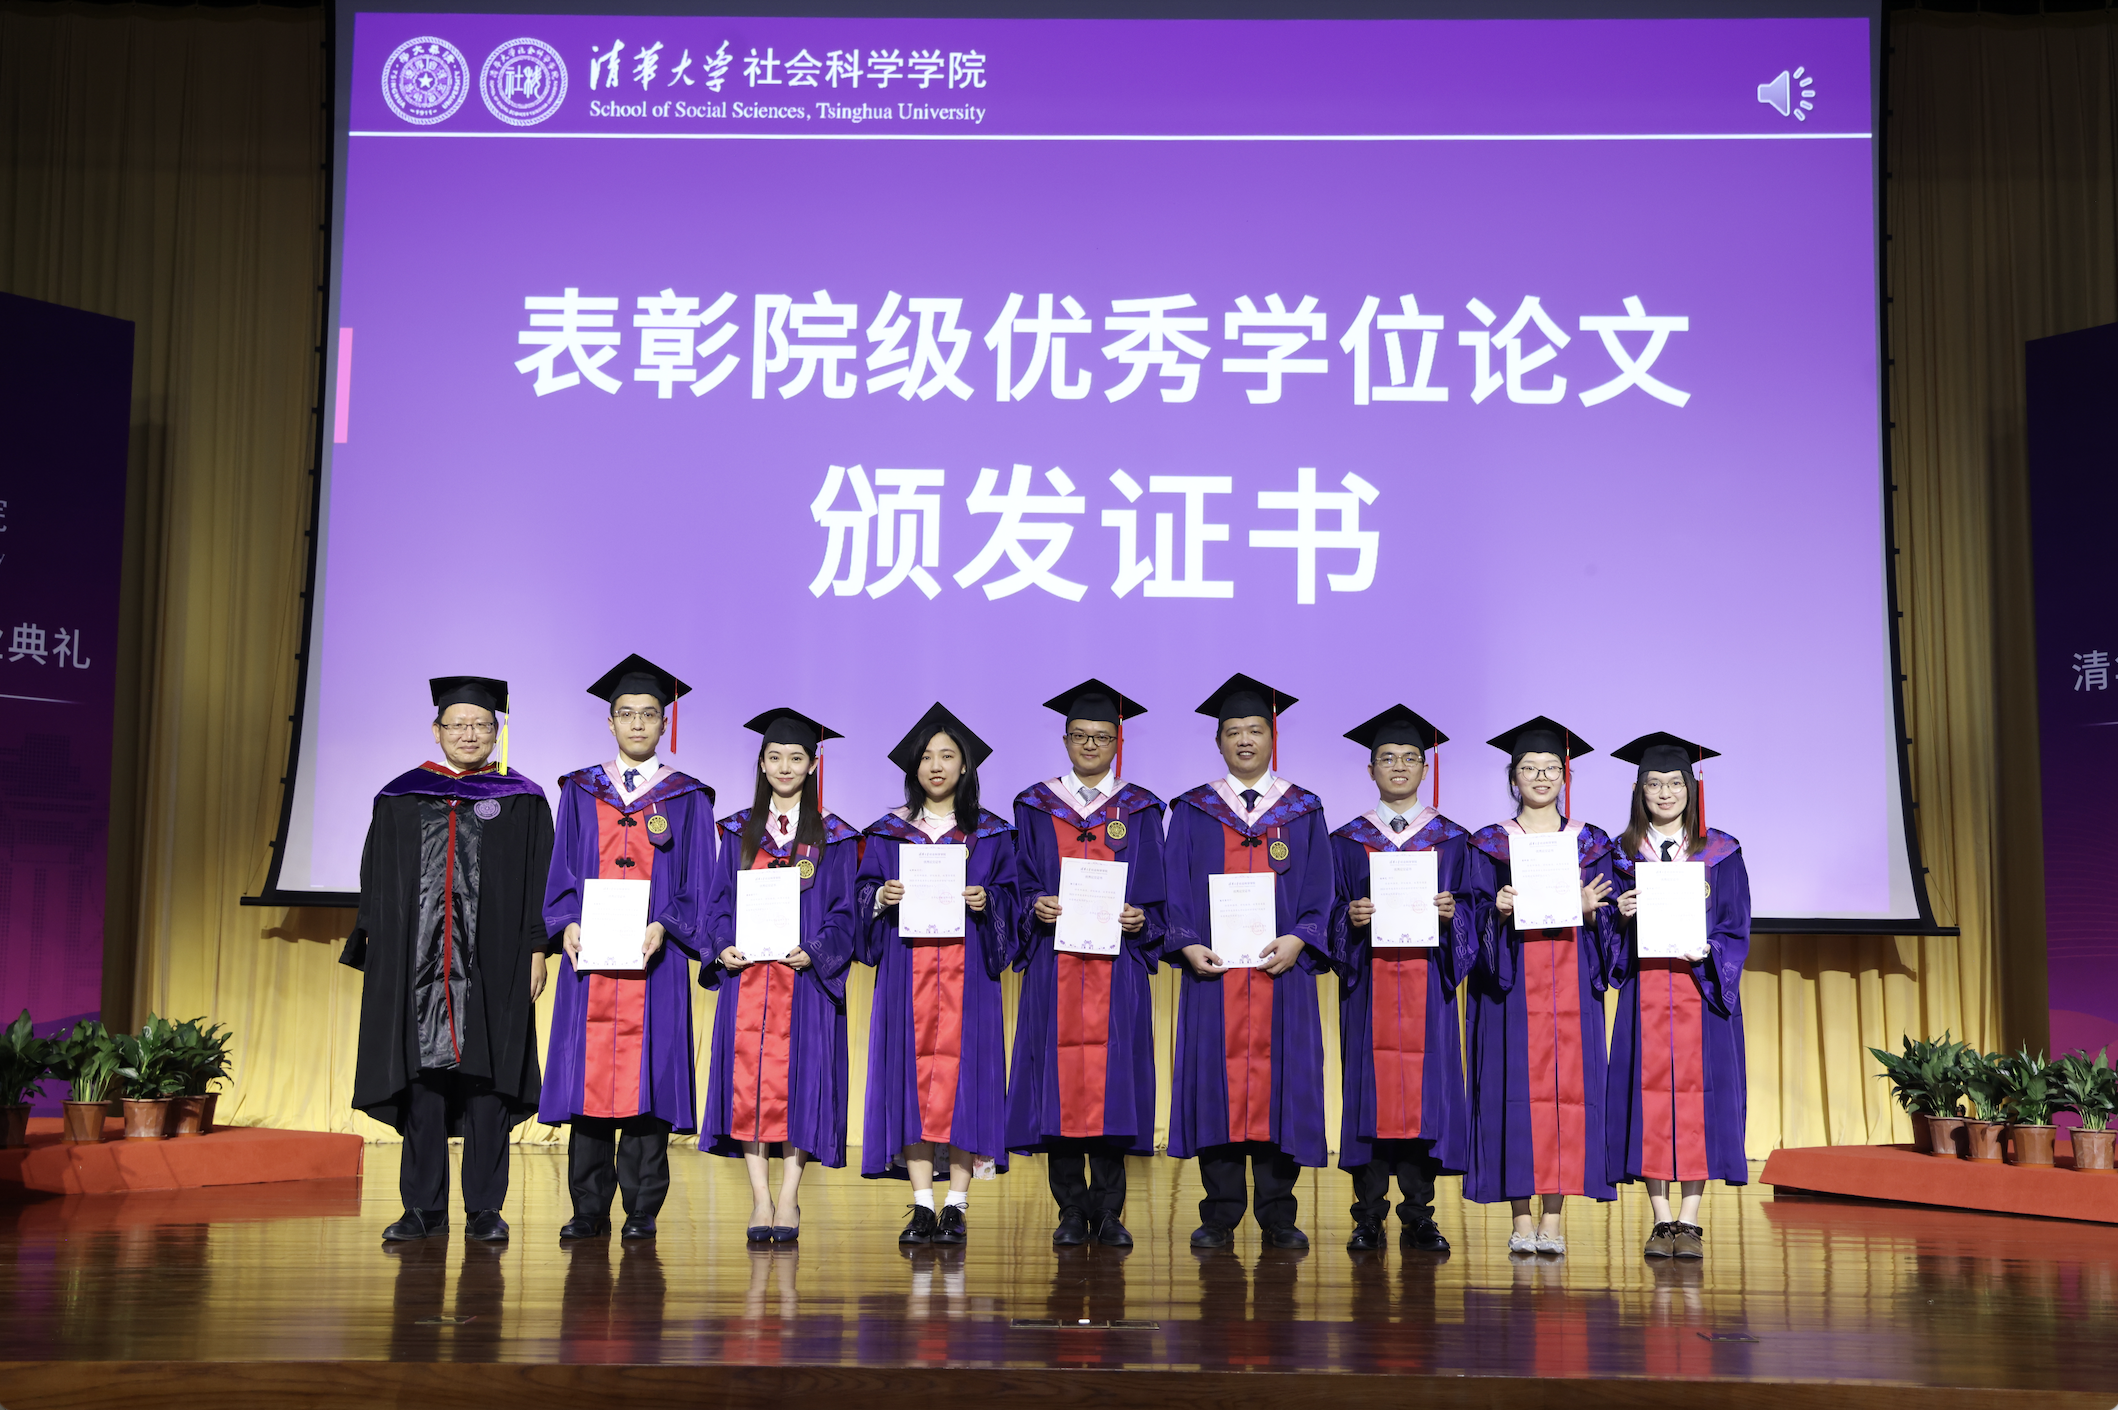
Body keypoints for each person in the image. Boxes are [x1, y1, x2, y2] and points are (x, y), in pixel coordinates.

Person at [344, 676, 553, 1244]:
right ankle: (422, 1208)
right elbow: (376, 883)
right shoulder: (401, 798)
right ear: (436, 731)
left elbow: (541, 882)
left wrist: (538, 949)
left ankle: (485, 1209)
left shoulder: (524, 800)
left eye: (481, 724)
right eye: (457, 724)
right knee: (423, 1085)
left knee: (489, 1084)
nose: (469, 734)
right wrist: (376, 950)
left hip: (496, 963)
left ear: (496, 732)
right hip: (415, 966)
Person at [540, 654, 714, 1243]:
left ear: (664, 723)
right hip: (590, 960)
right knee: (587, 1080)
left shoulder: (687, 797)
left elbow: (699, 881)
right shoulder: (579, 791)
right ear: (610, 722)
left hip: (653, 960)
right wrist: (565, 922)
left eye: (649, 714)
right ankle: (587, 1207)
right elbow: (561, 869)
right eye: (626, 714)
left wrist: (665, 925)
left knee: (650, 1080)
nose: (637, 723)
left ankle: (642, 1209)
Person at [1165, 673, 1335, 1251]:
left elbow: (1321, 890)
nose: (1244, 740)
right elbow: (1175, 886)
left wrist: (1300, 939)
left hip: (1279, 976)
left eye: (1255, 730)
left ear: (1271, 737)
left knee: (1281, 1087)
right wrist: (1186, 941)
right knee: (1216, 1087)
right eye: (1233, 731)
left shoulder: (1303, 809)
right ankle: (1218, 1214)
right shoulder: (1193, 809)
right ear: (1218, 740)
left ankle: (1278, 1215)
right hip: (1214, 975)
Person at [1006, 678, 1167, 1249]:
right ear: (1066, 739)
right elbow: (1016, 882)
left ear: (1117, 742)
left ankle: (1111, 1209)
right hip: (1055, 965)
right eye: (1081, 735)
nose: (1091, 745)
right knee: (1057, 1082)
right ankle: (1071, 1208)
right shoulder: (1034, 805)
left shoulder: (1141, 808)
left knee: (1113, 1082)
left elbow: (1159, 893)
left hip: (1116, 970)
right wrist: (1034, 904)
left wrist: (1142, 918)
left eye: (1101, 737)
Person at [854, 702, 1019, 1245]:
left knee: (966, 1080)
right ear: (914, 767)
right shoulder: (888, 833)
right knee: (910, 1079)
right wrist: (881, 896)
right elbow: (860, 893)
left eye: (947, 756)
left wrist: (988, 901)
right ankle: (923, 1203)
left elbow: (1013, 898)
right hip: (907, 971)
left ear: (965, 766)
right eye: (926, 757)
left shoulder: (991, 834)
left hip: (969, 976)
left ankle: (957, 1204)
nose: (936, 765)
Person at [1462, 716, 1622, 1255]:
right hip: (1512, 985)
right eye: (1529, 768)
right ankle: (1521, 1217)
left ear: (1565, 776)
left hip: (1572, 980)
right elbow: (1470, 917)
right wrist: (1496, 910)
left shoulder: (1591, 842)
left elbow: (1611, 917)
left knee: (1567, 1097)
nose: (1540, 777)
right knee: (1514, 1093)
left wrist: (1592, 909)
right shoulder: (1488, 843)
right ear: (1514, 777)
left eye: (1551, 768)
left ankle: (1553, 1220)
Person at [700, 708, 860, 1244]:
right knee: (748, 1085)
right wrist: (722, 946)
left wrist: (815, 951)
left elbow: (844, 914)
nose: (785, 767)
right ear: (762, 764)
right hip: (748, 980)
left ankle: (789, 1195)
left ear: (812, 764)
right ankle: (760, 1197)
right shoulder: (738, 832)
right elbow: (718, 904)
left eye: (796, 758)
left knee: (800, 1086)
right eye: (775, 757)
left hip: (803, 984)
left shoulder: (834, 838)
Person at [1329, 705, 1472, 1255]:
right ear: (1371, 769)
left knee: (1423, 1093)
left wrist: (1453, 914)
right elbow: (1326, 910)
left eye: (1410, 758)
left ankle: (1418, 1215)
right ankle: (1367, 1215)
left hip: (1427, 986)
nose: (1398, 767)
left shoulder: (1452, 840)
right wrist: (1349, 917)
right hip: (1369, 987)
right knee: (1370, 1093)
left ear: (1424, 768)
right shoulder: (1347, 840)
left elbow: (1477, 913)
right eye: (1387, 758)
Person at [1603, 732, 1751, 1260]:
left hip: (1699, 992)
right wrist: (1619, 917)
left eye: (1674, 783)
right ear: (1639, 791)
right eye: (1653, 783)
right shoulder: (1620, 854)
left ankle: (1690, 1220)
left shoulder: (1721, 852)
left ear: (1691, 788)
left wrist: (1709, 949)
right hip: (1645, 992)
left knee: (1697, 1100)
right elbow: (1605, 937)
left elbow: (1736, 924)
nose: (1664, 793)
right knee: (1647, 1098)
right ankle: (1660, 1219)